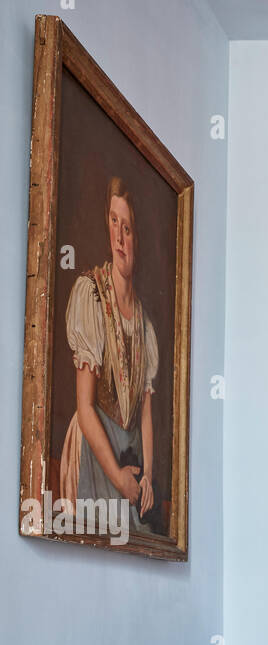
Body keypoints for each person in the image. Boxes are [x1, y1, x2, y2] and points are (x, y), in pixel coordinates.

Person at [59, 176, 159, 532]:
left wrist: (147, 474)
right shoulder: (90, 294)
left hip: (129, 458)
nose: (118, 238)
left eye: (127, 227)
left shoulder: (145, 326)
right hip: (95, 451)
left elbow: (145, 408)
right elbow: (85, 408)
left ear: (138, 238)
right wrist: (118, 477)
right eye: (114, 222)